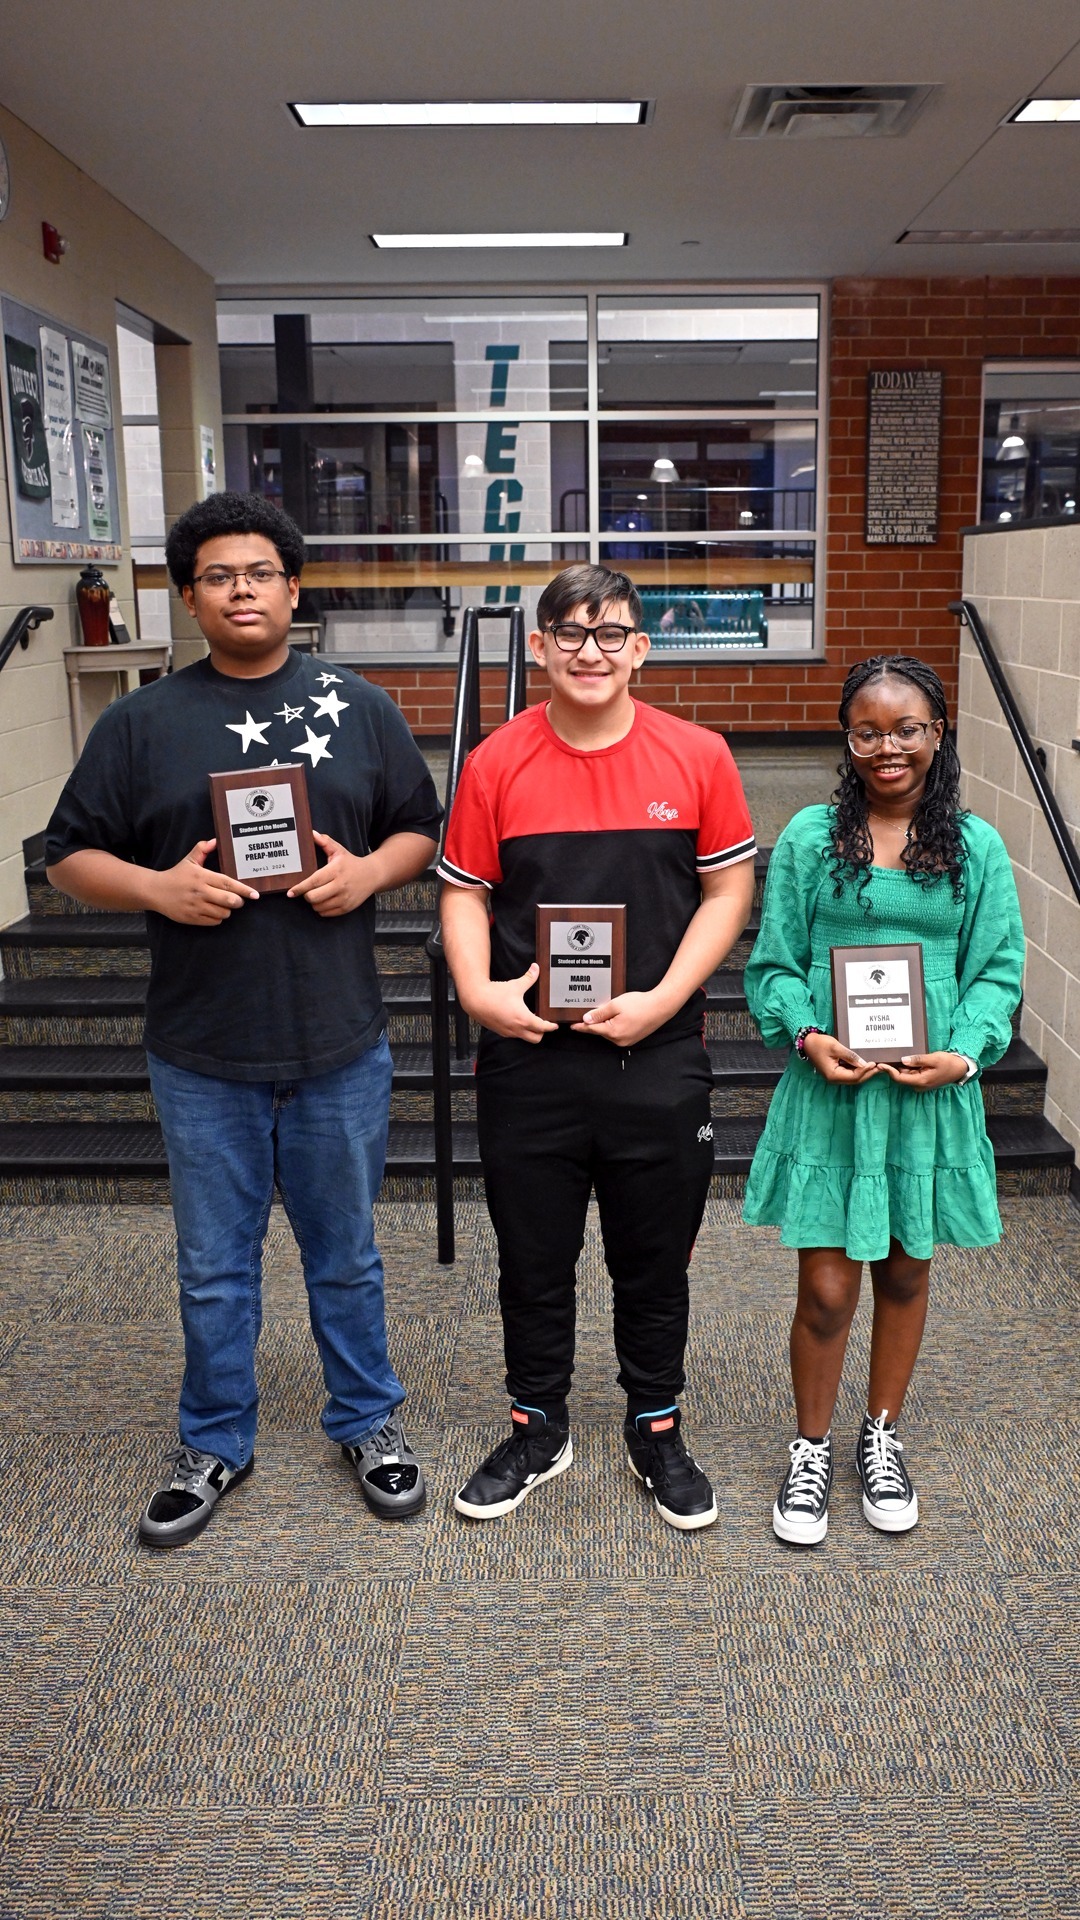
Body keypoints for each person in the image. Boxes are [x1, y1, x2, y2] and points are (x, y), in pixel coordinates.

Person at [45, 491, 442, 1546]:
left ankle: (369, 1422)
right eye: (217, 576)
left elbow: (419, 830)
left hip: (336, 1041)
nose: (241, 590)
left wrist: (367, 876)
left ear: (292, 587)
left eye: (259, 572)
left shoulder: (359, 706)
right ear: (189, 596)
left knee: (346, 1252)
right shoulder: (140, 724)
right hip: (202, 1047)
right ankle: (214, 1438)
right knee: (213, 1265)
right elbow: (67, 855)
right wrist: (156, 891)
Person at [439, 563, 757, 1529]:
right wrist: (475, 992)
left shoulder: (698, 755)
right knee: (532, 1261)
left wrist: (663, 998)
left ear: (640, 648)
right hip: (529, 1055)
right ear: (537, 648)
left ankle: (655, 1428)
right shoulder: (495, 761)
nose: (590, 650)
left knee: (652, 1259)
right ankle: (539, 1426)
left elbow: (726, 894)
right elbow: (463, 892)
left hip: (655, 1056)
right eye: (569, 633)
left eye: (610, 632)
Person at [742, 654, 1024, 1545]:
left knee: (906, 1269)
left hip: (925, 1092)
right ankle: (811, 1448)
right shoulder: (808, 839)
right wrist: (805, 1034)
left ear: (939, 734)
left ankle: (881, 1436)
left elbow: (997, 972)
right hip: (835, 1089)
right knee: (827, 1289)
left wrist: (968, 1055)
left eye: (908, 729)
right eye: (868, 729)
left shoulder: (975, 847)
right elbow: (773, 965)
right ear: (847, 737)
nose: (888, 747)